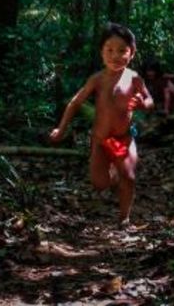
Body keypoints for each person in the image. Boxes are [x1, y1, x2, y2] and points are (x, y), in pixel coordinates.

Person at [49, 23, 154, 224]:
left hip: (124, 138)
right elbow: (76, 102)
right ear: (101, 52)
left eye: (122, 50)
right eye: (110, 50)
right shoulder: (97, 79)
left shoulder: (135, 79)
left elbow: (150, 101)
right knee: (100, 183)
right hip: (100, 140)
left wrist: (143, 103)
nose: (115, 56)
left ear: (132, 53)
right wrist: (61, 128)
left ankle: (125, 218)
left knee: (129, 177)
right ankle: (113, 175)